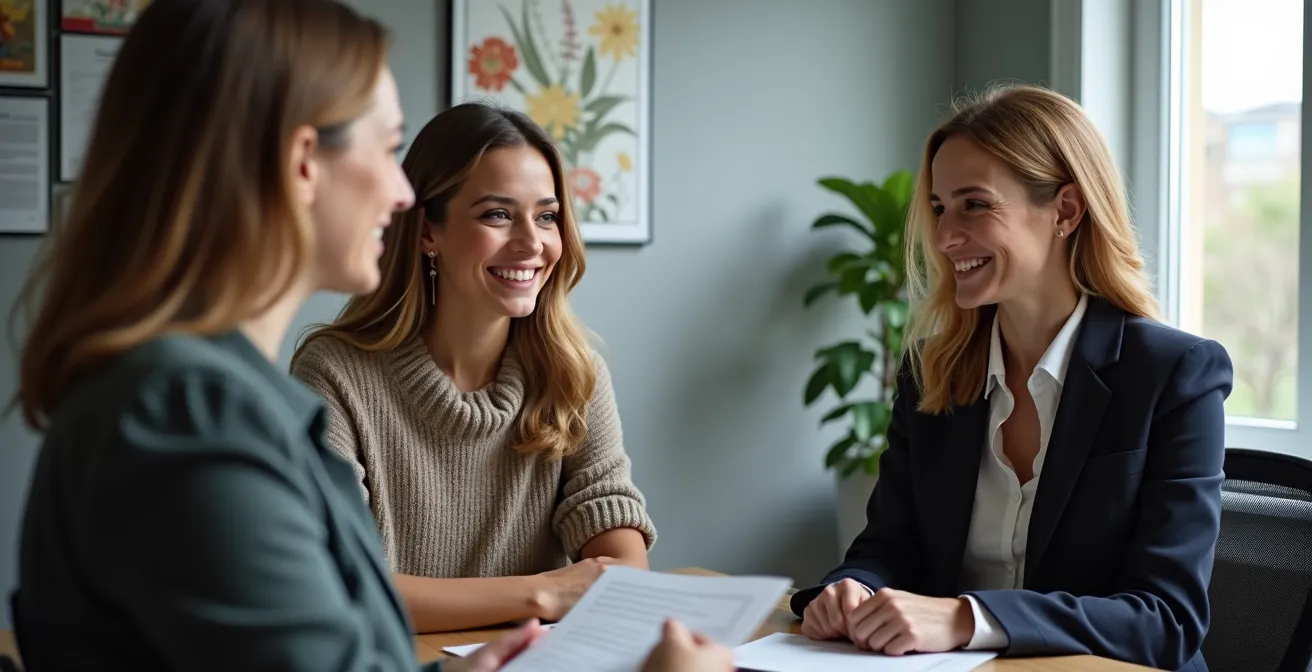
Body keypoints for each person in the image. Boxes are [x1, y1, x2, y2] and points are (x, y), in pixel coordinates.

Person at [792, 84, 1232, 672]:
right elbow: (887, 546)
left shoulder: (1174, 374)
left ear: (1066, 211)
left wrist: (967, 618)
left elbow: (1166, 618)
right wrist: (855, 588)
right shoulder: (930, 374)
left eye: (975, 204)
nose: (945, 237)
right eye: (941, 206)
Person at [289, 101, 656, 634]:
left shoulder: (575, 374)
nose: (533, 243)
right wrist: (546, 591)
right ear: (426, 233)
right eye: (497, 214)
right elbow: (341, 582)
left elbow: (622, 571)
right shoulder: (335, 374)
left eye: (547, 216)